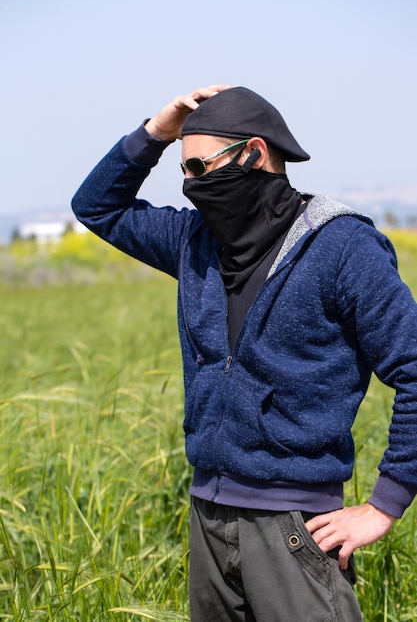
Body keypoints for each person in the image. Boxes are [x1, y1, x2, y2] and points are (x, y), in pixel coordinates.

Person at [72, 85, 417, 621]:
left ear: (254, 153)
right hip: (208, 516)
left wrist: (383, 506)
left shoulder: (342, 248)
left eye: (198, 167)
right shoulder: (194, 240)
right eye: (182, 171)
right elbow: (96, 207)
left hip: (296, 526)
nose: (189, 186)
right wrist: (157, 132)